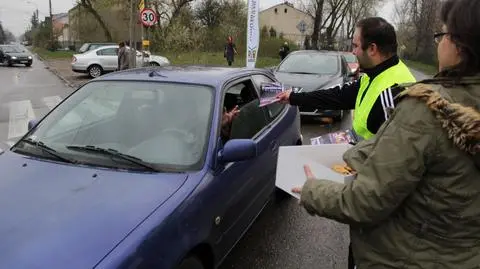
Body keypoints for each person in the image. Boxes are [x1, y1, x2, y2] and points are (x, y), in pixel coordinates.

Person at [292, 0, 480, 267]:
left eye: (443, 35)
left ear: (462, 45)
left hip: (408, 253)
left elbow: (369, 200)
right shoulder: (372, 76)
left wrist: (313, 190)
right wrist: (294, 98)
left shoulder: (414, 101)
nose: (352, 51)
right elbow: (341, 96)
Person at [276, 17, 417, 141]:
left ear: (372, 49)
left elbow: (393, 158)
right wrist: (294, 97)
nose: (353, 52)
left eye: (355, 46)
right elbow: (337, 96)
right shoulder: (376, 75)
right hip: (359, 159)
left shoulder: (394, 92)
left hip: (366, 168)